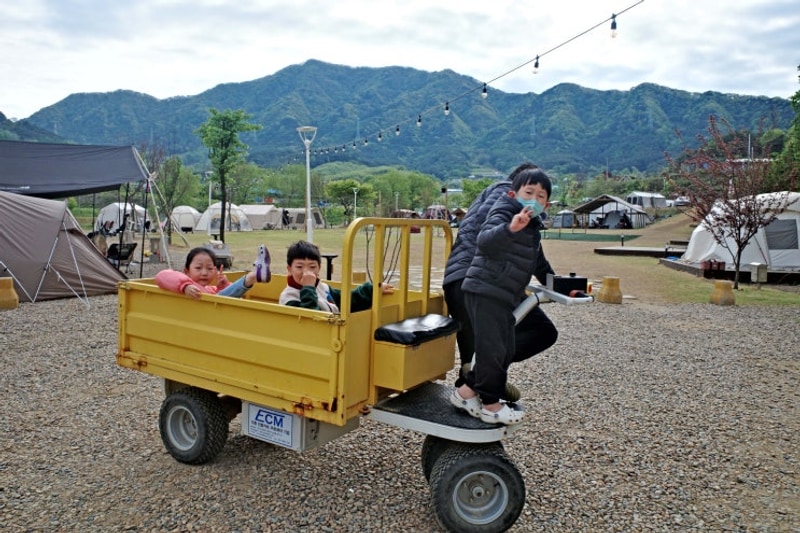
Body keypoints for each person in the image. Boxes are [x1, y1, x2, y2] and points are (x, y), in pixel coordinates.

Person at [443, 163, 558, 399]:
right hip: (486, 281)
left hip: (458, 280)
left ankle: (474, 389)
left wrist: (556, 283)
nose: (534, 198)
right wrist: (554, 282)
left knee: (471, 355)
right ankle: (484, 376)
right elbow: (509, 243)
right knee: (542, 331)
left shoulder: (491, 196)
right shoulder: (507, 199)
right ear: (518, 185)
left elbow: (528, 251)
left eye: (541, 195)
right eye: (531, 189)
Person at [279, 240, 392, 312]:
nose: (306, 272)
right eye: (299, 267)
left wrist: (371, 290)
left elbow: (347, 300)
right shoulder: (289, 298)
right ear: (289, 270)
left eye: (312, 267)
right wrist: (308, 288)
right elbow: (309, 321)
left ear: (319, 268)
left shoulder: (323, 288)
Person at [155, 244, 271, 299]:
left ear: (215, 271)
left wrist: (223, 286)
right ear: (187, 271)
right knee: (222, 298)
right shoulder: (186, 284)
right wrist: (185, 287)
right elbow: (161, 275)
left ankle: (253, 276)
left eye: (210, 269)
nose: (204, 273)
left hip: (214, 319)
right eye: (198, 268)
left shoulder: (211, 289)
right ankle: (252, 276)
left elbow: (227, 297)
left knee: (223, 297)